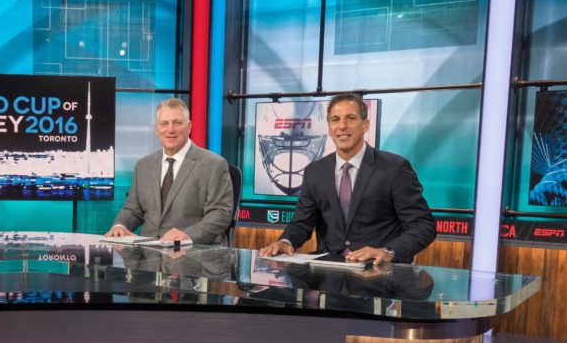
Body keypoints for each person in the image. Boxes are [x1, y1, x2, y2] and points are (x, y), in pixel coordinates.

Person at [258, 93, 436, 264]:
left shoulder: (394, 168)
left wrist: (388, 251)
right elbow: (302, 223)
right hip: (329, 271)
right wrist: (286, 242)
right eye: (335, 120)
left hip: (377, 273)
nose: (342, 126)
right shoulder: (315, 171)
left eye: (350, 118)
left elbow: (423, 226)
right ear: (329, 128)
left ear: (365, 125)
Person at [105, 98, 233, 245]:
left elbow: (221, 213)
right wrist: (120, 225)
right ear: (157, 128)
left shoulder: (214, 164)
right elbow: (133, 209)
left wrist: (187, 235)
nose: (170, 129)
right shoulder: (143, 165)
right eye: (164, 123)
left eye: (177, 123)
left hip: (193, 254)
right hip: (148, 254)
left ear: (189, 127)